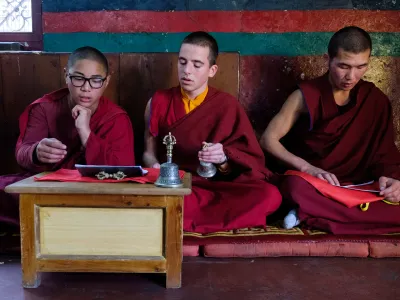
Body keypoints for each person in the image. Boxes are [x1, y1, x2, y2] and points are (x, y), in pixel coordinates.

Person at [260, 26, 400, 234]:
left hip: (358, 185)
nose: (351, 76)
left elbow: (385, 155)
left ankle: (309, 214)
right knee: (293, 187)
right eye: (343, 66)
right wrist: (307, 168)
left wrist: (392, 180)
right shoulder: (305, 96)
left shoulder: (375, 100)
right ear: (328, 59)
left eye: (361, 67)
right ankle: (335, 214)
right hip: (315, 184)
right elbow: (268, 139)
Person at [143, 31, 281, 233]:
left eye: (196, 65)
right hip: (176, 187)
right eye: (182, 62)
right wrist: (156, 168)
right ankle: (195, 217)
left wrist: (223, 159)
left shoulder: (226, 105)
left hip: (217, 186)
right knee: (154, 198)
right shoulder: (158, 102)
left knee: (270, 195)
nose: (186, 71)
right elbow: (148, 152)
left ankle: (179, 219)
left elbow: (250, 163)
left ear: (212, 70)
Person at [0, 46, 135, 228]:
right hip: (48, 188)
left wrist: (86, 133)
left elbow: (125, 169)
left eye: (95, 80)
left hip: (96, 191)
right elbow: (23, 152)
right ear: (66, 75)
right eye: (78, 78)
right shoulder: (45, 108)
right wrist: (36, 152)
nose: (86, 88)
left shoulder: (116, 118)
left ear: (106, 81)